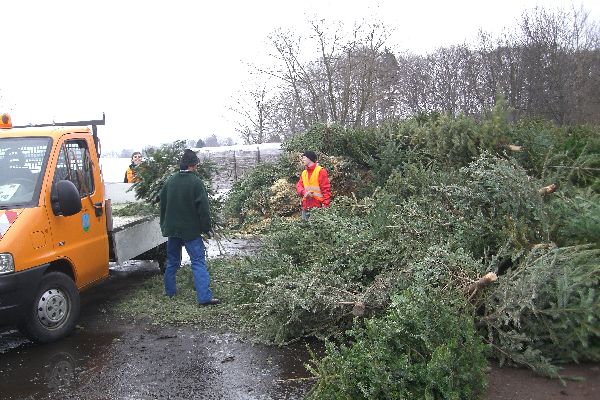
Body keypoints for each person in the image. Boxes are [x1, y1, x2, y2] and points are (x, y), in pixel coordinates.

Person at [159, 149, 219, 306]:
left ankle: (169, 292)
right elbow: (203, 209)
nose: (197, 168)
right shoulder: (196, 182)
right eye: (196, 165)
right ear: (192, 166)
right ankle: (204, 298)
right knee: (198, 262)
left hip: (173, 230)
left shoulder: (170, 181)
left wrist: (165, 226)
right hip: (190, 231)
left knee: (172, 262)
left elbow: (163, 206)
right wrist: (207, 228)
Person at [296, 150, 331, 220]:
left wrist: (325, 205)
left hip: (317, 208)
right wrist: (304, 192)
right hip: (305, 206)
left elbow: (326, 190)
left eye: (304, 158)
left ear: (309, 158)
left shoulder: (321, 171)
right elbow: (299, 186)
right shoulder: (304, 173)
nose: (303, 160)